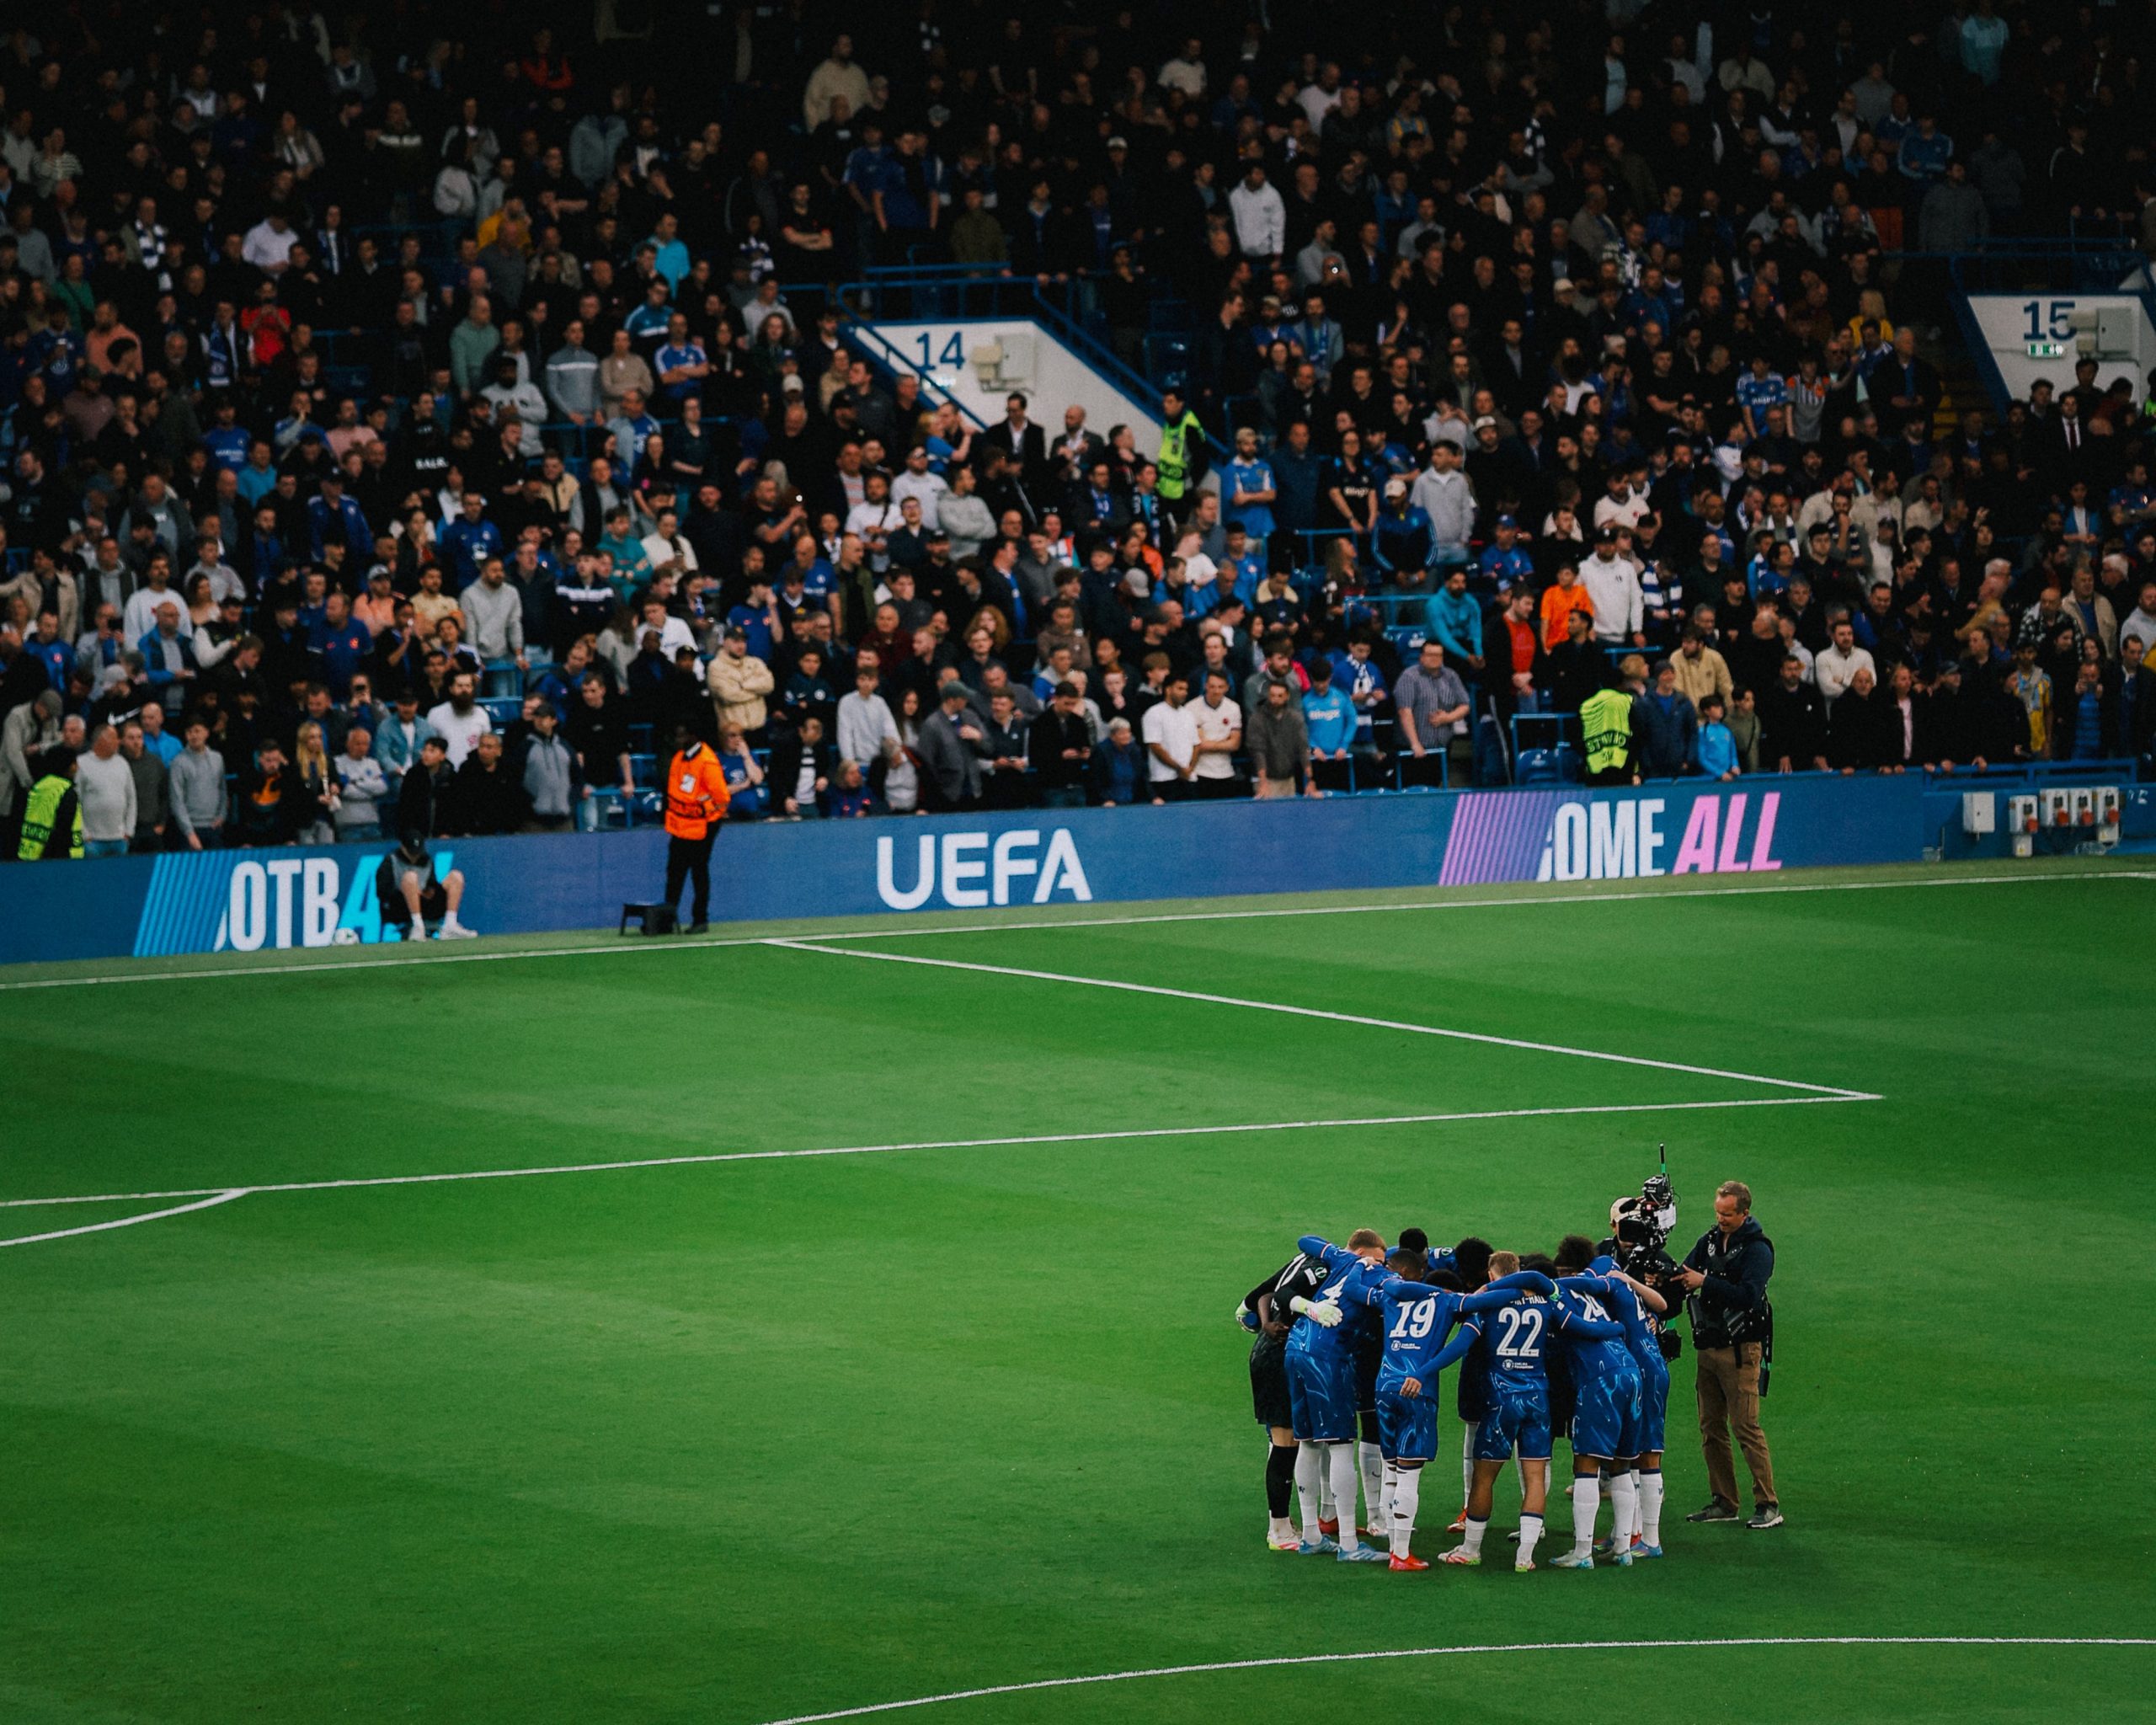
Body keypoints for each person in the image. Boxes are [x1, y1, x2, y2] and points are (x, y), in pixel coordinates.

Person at [1440, 1252, 1566, 1569]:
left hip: (1501, 1400)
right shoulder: (1544, 1303)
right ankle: (1525, 1556)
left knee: (1484, 1478)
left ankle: (1471, 1549)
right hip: (1537, 1397)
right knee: (1535, 1477)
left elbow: (1461, 1343)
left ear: (1492, 1275)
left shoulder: (1488, 1305)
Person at [1674, 1180, 1780, 1529]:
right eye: (1718, 1212)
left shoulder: (1758, 1250)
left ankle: (1768, 1504)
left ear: (1745, 1213)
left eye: (1728, 1214)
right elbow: (1684, 1273)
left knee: (1746, 1427)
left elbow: (1749, 1296)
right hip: (1709, 1347)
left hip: (1740, 1351)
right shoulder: (1708, 1241)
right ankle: (1724, 1500)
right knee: (1711, 1427)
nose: (1721, 1219)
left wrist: (1704, 1282)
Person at [1281, 1230, 1391, 1562]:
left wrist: (1344, 1255)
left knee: (1309, 1443)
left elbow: (1305, 1239)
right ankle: (1348, 1543)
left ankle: (1312, 1536)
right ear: (1365, 1252)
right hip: (1329, 1357)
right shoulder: (1382, 1277)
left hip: (1295, 1348)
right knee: (1341, 1445)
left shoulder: (1343, 1259)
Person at [1545, 1242, 1644, 1570]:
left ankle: (1582, 1552)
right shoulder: (1595, 1293)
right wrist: (1616, 1328)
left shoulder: (1555, 1297)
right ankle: (1622, 1547)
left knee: (1586, 1463)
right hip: (1630, 1372)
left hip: (1601, 1379)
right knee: (1621, 1465)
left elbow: (1577, 1328)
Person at [661, 720, 732, 933]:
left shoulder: (707, 762)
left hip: (703, 826)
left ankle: (700, 919)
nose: (678, 740)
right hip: (681, 825)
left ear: (693, 736)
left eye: (682, 736)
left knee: (698, 872)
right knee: (675, 872)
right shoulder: (679, 759)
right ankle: (667, 920)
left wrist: (706, 812)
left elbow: (721, 796)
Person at [1391, 639, 1470, 786]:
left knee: (1434, 788)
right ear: (1421, 657)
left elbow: (1465, 705)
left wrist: (1447, 718)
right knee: (1412, 791)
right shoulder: (1409, 677)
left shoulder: (1451, 676)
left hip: (1442, 748)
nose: (1435, 658)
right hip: (1413, 751)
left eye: (1438, 655)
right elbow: (1404, 712)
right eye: (1430, 654)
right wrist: (1415, 744)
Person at [375, 834, 476, 940]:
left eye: (417, 852)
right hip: (399, 906)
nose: (415, 856)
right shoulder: (390, 861)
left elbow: (432, 883)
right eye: (411, 852)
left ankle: (450, 924)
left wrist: (429, 891)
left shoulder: (426, 860)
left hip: (424, 903)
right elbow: (382, 891)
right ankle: (418, 927)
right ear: (403, 847)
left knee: (456, 876)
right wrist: (408, 891)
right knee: (411, 877)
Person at [1140, 670, 1200, 801]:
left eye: (1186, 689)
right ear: (1168, 690)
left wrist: (1189, 769)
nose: (1184, 692)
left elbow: (1196, 745)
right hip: (1164, 778)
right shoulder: (1154, 713)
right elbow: (1155, 746)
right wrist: (1179, 768)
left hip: (1188, 778)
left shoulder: (1188, 715)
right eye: (1180, 688)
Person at [15, 745, 83, 860]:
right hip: (58, 857)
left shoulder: (38, 787)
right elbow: (64, 829)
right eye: (74, 763)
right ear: (66, 765)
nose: (77, 767)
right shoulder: (66, 791)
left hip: (29, 852)